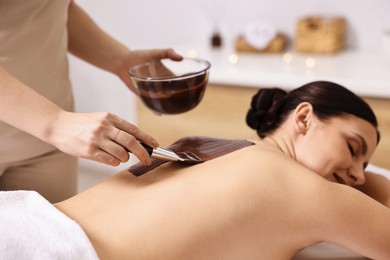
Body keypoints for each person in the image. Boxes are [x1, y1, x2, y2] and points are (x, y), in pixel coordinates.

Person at [52, 81, 390, 259]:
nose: (359, 175)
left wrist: (354, 167)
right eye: (352, 147)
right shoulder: (300, 188)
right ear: (304, 118)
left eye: (364, 165)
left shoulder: (199, 143)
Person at [0, 1, 182, 202]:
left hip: (50, 144)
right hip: (51, 127)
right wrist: (55, 123)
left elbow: (53, 8)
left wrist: (120, 60)